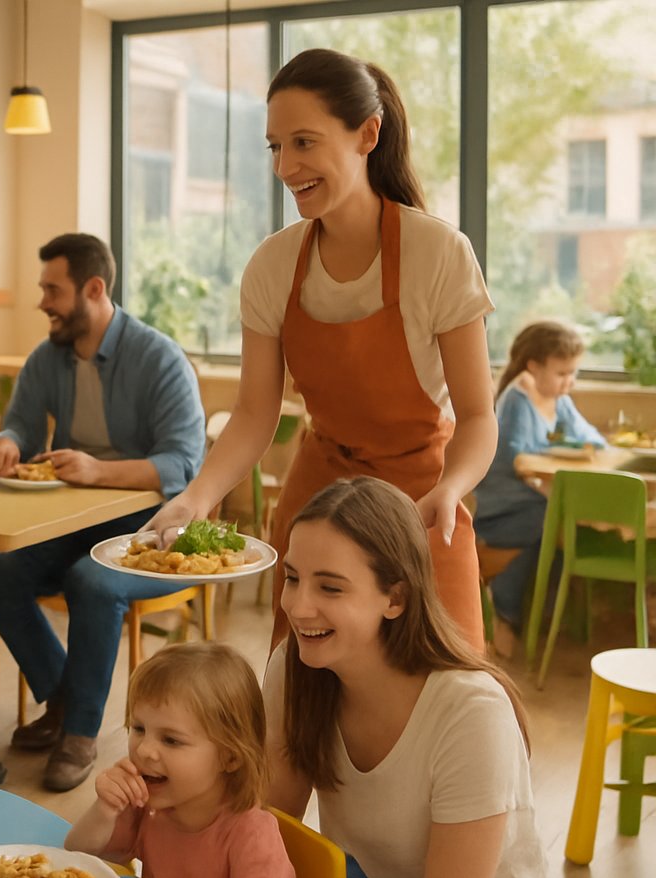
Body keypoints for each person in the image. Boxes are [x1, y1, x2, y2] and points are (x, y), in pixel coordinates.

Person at [146, 49, 497, 653]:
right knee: (308, 681)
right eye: (275, 147)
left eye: (304, 142)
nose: (285, 167)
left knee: (449, 680)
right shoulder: (273, 265)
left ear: (368, 135)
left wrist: (450, 489)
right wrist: (198, 496)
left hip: (421, 502)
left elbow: (478, 416)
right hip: (320, 497)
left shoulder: (439, 253)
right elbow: (255, 411)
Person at [246, 476, 574, 878]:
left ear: (395, 597)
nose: (299, 607)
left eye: (330, 588)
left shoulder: (470, 713)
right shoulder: (297, 669)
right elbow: (265, 832)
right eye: (293, 578)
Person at [0, 233, 206, 791]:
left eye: (53, 290)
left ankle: (79, 732)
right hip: (70, 519)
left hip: (151, 529)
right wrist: (6, 442)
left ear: (94, 289)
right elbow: (21, 425)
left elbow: (182, 461)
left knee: (93, 582)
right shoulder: (46, 358)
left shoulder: (159, 358)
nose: (43, 303)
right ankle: (63, 700)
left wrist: (99, 471)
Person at [66, 643, 294, 878]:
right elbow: (80, 856)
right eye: (139, 729)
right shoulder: (151, 804)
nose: (145, 751)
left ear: (229, 757)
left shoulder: (252, 833)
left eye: (171, 740)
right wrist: (105, 809)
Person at [472, 321, 604, 656]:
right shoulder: (518, 398)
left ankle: (537, 614)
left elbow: (591, 437)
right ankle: (506, 611)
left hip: (535, 496)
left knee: (561, 524)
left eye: (573, 373)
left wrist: (579, 446)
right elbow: (513, 457)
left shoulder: (558, 400)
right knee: (550, 518)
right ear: (533, 367)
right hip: (503, 504)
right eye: (562, 373)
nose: (569, 382)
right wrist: (551, 458)